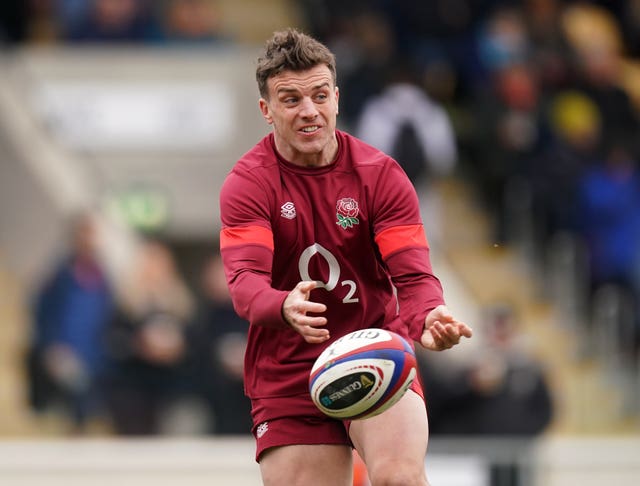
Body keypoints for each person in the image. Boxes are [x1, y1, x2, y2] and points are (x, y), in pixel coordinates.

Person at [218, 28, 473, 486]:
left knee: (400, 478)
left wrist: (429, 316)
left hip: (376, 350)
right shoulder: (249, 184)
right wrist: (283, 305)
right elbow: (244, 282)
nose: (309, 111)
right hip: (289, 370)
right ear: (266, 110)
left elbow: (413, 278)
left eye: (319, 95)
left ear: (336, 98)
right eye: (291, 99)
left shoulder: (381, 176)